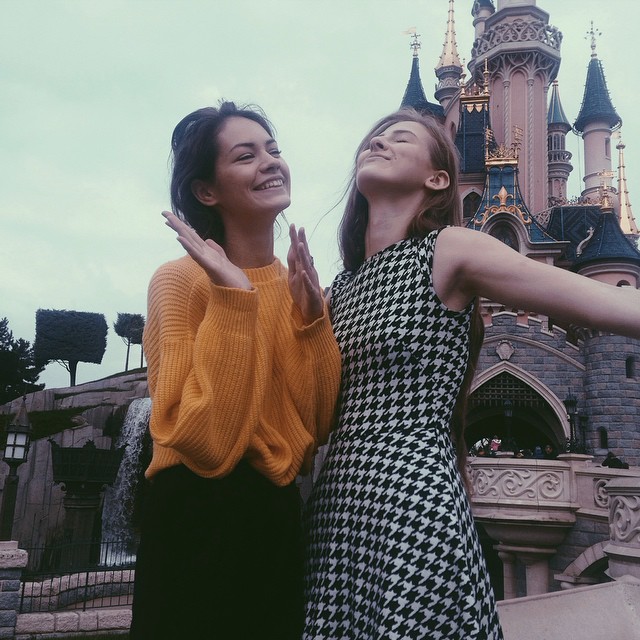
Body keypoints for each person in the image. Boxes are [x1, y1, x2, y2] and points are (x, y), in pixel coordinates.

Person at [304, 107, 640, 639]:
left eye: (401, 138)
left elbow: (607, 302)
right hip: (337, 507)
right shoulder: (340, 289)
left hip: (410, 498)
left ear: (438, 179)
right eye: (374, 137)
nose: (379, 142)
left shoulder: (447, 250)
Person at [130, 101, 341, 640]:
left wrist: (313, 322)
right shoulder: (178, 281)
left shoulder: (298, 287)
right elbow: (207, 442)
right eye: (245, 156)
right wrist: (232, 297)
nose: (270, 162)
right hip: (195, 515)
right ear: (207, 191)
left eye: (273, 150)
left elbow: (317, 425)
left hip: (275, 514)